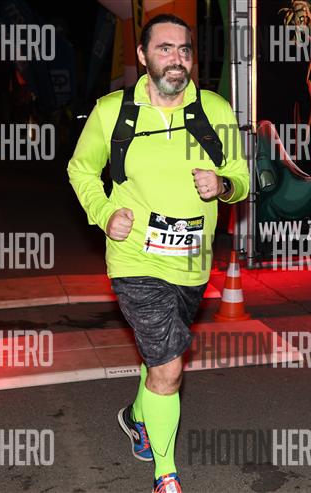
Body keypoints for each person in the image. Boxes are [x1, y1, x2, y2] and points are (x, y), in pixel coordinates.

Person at [67, 14, 249, 493]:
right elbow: (81, 169)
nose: (176, 59)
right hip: (135, 259)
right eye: (164, 49)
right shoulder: (112, 112)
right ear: (143, 55)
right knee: (169, 366)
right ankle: (165, 476)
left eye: (184, 50)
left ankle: (135, 416)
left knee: (159, 355)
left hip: (192, 263)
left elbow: (242, 177)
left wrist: (223, 185)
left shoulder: (215, 110)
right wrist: (105, 213)